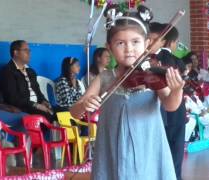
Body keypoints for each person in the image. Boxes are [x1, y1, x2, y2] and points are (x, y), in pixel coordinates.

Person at [70, 6, 183, 180]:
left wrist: (177, 90)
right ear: (109, 47)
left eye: (135, 42)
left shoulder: (151, 75)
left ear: (146, 44)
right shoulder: (105, 77)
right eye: (120, 43)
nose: (129, 49)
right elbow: (75, 111)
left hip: (147, 146)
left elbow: (170, 104)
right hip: (111, 148)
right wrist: (85, 104)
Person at [149, 22, 186, 180]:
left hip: (167, 110)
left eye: (151, 39)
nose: (148, 43)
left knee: (168, 157)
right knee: (174, 157)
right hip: (171, 114)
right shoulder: (176, 61)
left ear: (162, 40)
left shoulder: (154, 60)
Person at [0, 40, 54, 122]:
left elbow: (37, 91)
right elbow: (12, 98)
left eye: (29, 51)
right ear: (16, 53)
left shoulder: (30, 71)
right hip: (23, 108)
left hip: (37, 105)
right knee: (48, 117)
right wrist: (36, 105)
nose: (29, 53)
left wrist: (44, 101)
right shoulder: (7, 72)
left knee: (61, 112)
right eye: (25, 50)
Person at [0, 48, 26, 135]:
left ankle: (20, 146)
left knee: (26, 120)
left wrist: (7, 106)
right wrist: (1, 107)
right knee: (26, 119)